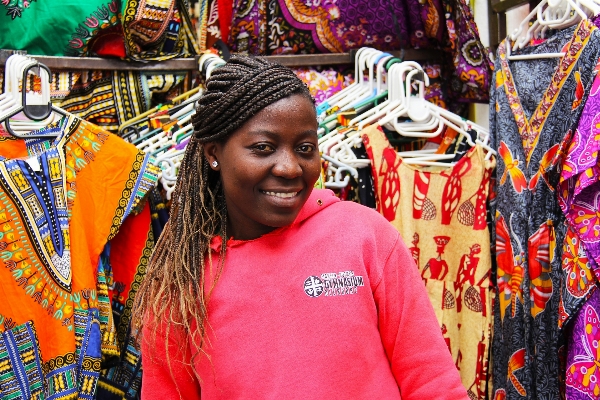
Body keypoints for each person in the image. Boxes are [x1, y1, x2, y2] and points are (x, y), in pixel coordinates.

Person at [134, 56, 469, 399]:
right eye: (263, 148)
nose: (290, 167)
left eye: (305, 148)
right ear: (213, 153)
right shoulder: (182, 279)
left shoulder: (364, 236)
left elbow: (432, 382)